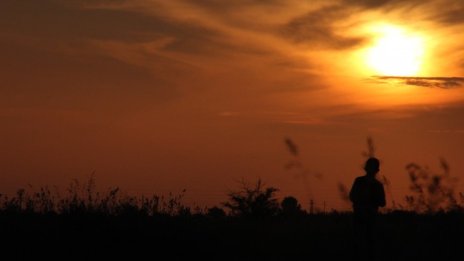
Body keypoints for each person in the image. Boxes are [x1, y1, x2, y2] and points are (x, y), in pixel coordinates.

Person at [349, 157, 386, 261]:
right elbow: (352, 196)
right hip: (360, 220)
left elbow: (382, 202)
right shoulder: (360, 182)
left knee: (368, 248)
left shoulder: (375, 185)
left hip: (370, 221)